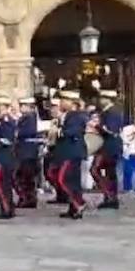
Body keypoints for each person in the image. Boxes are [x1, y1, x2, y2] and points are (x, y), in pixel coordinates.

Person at [56, 91, 89, 220]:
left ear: (72, 103)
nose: (61, 103)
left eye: (64, 100)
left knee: (63, 179)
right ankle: (73, 208)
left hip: (72, 151)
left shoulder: (77, 116)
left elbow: (72, 132)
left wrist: (58, 131)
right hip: (68, 151)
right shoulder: (69, 115)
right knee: (72, 181)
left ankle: (79, 203)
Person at [91, 90, 125, 210]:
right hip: (107, 146)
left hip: (109, 146)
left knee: (95, 170)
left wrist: (96, 126)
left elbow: (111, 131)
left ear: (108, 100)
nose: (100, 100)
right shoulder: (107, 111)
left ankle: (110, 196)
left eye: (103, 98)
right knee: (110, 173)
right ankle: (111, 198)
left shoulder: (113, 112)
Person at [0, 96, 18, 220]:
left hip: (3, 156)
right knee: (2, 183)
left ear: (3, 106)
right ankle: (7, 207)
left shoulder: (7, 121)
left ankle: (6, 208)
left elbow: (8, 140)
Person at [14, 97, 43, 209]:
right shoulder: (26, 118)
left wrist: (16, 132)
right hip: (24, 150)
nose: (21, 108)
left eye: (23, 105)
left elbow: (27, 132)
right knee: (25, 177)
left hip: (28, 151)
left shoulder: (30, 118)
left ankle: (27, 199)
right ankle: (27, 198)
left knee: (25, 177)